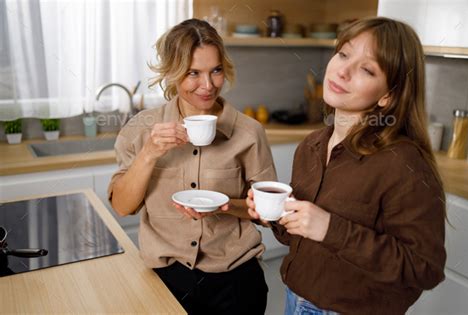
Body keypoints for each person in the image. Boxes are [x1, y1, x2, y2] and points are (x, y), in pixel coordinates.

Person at [247, 17, 446, 315]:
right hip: (294, 299)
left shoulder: (404, 164)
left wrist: (330, 228)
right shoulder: (311, 146)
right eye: (343, 54)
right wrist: (275, 215)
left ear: (388, 96)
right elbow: (300, 238)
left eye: (367, 69)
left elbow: (425, 268)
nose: (342, 70)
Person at [108, 19, 276, 314]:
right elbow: (122, 206)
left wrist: (225, 207)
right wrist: (149, 153)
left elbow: (266, 214)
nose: (208, 85)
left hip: (235, 282)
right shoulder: (141, 129)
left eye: (216, 70)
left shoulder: (249, 133)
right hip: (165, 279)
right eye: (193, 73)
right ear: (172, 73)